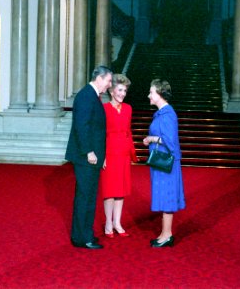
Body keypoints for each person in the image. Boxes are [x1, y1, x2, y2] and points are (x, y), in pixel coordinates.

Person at [65, 65, 113, 249]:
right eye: (108, 81)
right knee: (85, 196)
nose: (109, 85)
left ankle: (84, 234)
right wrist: (89, 152)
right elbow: (81, 126)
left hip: (91, 157)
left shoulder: (91, 95)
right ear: (99, 78)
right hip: (86, 157)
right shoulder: (86, 95)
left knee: (88, 196)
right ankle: (82, 237)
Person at [142, 79, 185, 248]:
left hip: (166, 163)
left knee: (167, 196)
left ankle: (167, 235)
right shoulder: (161, 113)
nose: (148, 95)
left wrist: (152, 138)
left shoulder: (168, 114)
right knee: (163, 195)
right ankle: (164, 233)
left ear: (159, 94)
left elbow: (171, 142)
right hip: (160, 163)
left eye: (151, 92)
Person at [99, 74, 138, 238]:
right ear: (112, 91)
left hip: (123, 153)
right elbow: (100, 134)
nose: (123, 93)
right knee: (109, 190)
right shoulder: (104, 108)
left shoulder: (128, 108)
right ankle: (108, 222)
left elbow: (128, 132)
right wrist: (102, 156)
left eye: (125, 91)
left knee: (120, 189)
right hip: (109, 152)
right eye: (120, 90)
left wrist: (132, 154)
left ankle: (117, 222)